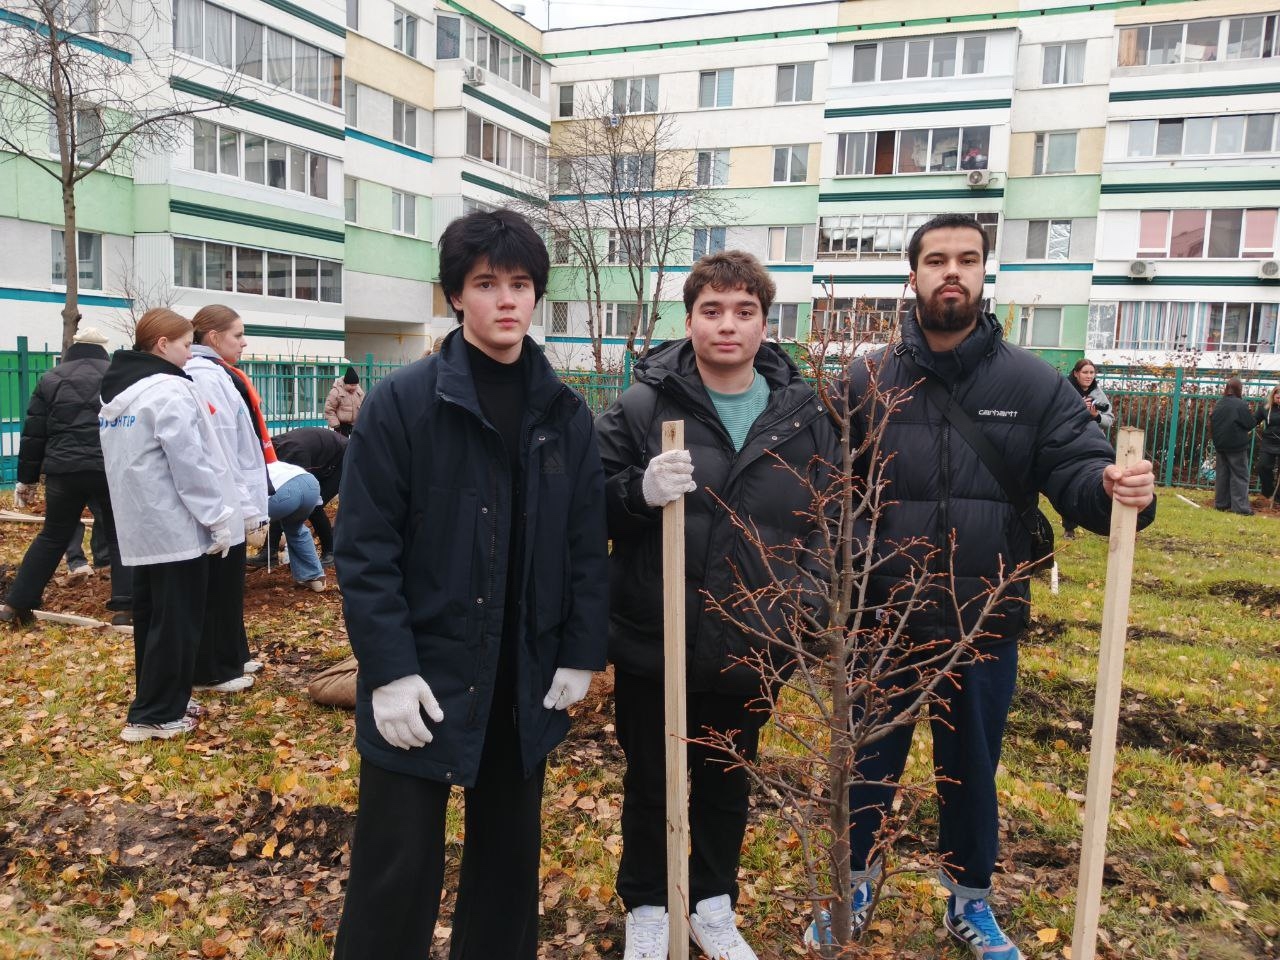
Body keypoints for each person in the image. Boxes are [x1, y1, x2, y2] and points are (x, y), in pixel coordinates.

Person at [820, 214, 1156, 958]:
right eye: (937, 259)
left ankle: (969, 900)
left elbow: (1076, 467)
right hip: (882, 619)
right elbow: (823, 488)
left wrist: (1110, 489)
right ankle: (852, 885)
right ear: (912, 276)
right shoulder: (864, 380)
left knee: (971, 769)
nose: (953, 272)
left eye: (967, 260)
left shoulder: (1033, 384)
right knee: (866, 762)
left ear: (982, 273)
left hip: (983, 620)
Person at [332, 208, 608, 960]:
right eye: (486, 284)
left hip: (523, 671)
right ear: (455, 295)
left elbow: (585, 544)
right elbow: (365, 550)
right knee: (396, 866)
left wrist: (580, 651)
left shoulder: (564, 412)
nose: (506, 300)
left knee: (508, 865)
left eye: (520, 283)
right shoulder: (403, 403)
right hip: (424, 668)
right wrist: (389, 670)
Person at [596, 251, 839, 960]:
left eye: (744, 311)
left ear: (765, 323)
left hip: (752, 637)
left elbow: (832, 519)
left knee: (728, 779)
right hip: (657, 634)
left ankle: (710, 903)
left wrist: (803, 602)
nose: (727, 325)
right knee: (652, 777)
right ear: (689, 320)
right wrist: (637, 493)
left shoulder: (803, 417)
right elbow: (584, 504)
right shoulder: (644, 407)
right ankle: (648, 904)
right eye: (712, 310)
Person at [98, 309, 243, 742]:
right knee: (178, 620)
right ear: (162, 345)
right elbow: (191, 463)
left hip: (141, 527)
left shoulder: (118, 394)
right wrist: (217, 517)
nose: (189, 353)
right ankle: (157, 714)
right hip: (176, 528)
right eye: (184, 345)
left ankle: (160, 700)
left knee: (151, 618)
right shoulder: (170, 391)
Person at [1, 326, 132, 626]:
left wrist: (27, 479)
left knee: (53, 536)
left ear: (73, 347)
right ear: (103, 349)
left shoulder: (51, 378)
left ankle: (16, 604)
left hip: (63, 471)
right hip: (109, 469)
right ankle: (125, 609)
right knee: (119, 536)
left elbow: (34, 434)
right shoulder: (118, 377)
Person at [186, 306, 271, 693]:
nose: (244, 342)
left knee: (229, 586)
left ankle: (233, 655)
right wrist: (248, 506)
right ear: (214, 337)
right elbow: (222, 450)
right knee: (219, 588)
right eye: (238, 335)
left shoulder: (217, 373)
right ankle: (213, 670)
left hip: (231, 497)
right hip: (223, 500)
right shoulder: (205, 376)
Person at [254, 427, 348, 567]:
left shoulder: (293, 454)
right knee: (285, 501)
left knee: (314, 506)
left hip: (342, 460)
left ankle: (330, 552)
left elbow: (297, 494)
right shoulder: (272, 450)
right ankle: (269, 553)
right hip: (322, 458)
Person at [1062, 358, 1115, 539]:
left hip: (1092, 444)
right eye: (1085, 372)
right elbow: (1058, 415)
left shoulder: (1098, 393)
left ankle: (1103, 522)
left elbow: (1109, 419)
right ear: (1076, 373)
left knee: (1098, 480)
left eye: (1092, 373)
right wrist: (1079, 408)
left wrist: (1096, 416)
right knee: (1069, 483)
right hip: (1070, 442)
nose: (1089, 376)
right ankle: (1069, 527)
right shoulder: (1065, 390)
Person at [265, 457, 326, 591]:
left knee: (236, 527)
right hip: (310, 484)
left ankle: (228, 579)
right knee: (295, 527)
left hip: (283, 492)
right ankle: (314, 577)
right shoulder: (269, 462)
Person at [1210, 377, 1256, 516]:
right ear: (1239, 389)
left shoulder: (1219, 403)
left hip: (1220, 445)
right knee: (1239, 476)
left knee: (1222, 475)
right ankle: (1240, 508)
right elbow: (1249, 423)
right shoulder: (1240, 404)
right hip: (1236, 445)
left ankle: (1221, 504)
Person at [1253, 385, 1280, 503]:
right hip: (1269, 442)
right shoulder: (1264, 408)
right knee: (1263, 466)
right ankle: (1268, 493)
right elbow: (1253, 421)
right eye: (1277, 395)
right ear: (1273, 396)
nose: (1279, 398)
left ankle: (1278, 498)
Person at [325, 366, 364, 436]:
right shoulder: (336, 392)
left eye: (355, 385)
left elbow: (364, 406)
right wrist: (336, 425)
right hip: (341, 425)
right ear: (345, 383)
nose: (354, 387)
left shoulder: (359, 392)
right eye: (351, 385)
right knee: (342, 442)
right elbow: (329, 409)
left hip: (356, 424)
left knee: (356, 442)